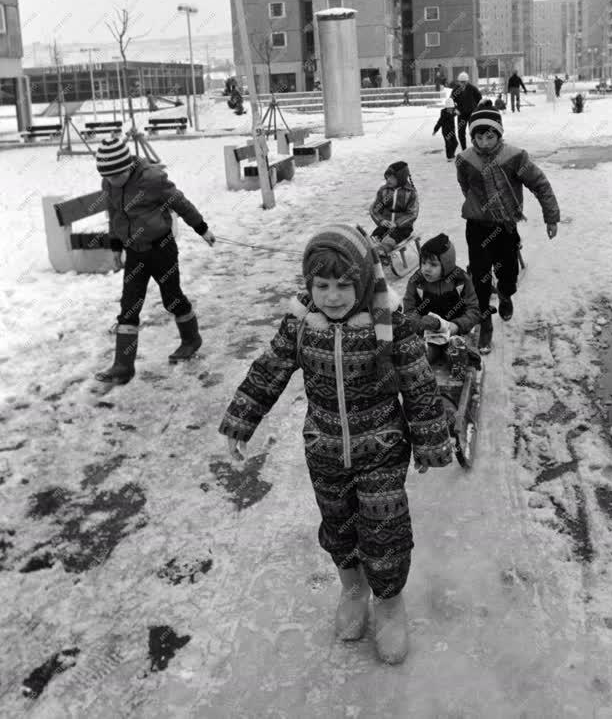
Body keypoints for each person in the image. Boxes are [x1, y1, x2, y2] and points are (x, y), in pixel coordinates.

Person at [219, 225, 453, 664]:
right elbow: (269, 369)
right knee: (338, 524)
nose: (332, 296)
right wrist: (241, 419)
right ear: (309, 285)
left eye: (344, 285)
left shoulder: (391, 324)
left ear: (362, 281)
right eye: (321, 285)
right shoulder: (302, 324)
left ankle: (388, 603)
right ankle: (351, 587)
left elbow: (419, 383)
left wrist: (430, 441)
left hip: (382, 445)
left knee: (385, 531)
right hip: (323, 447)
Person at [94, 138, 216, 385]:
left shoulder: (152, 180)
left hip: (161, 249)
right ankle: (123, 366)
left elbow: (180, 203)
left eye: (117, 175)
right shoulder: (109, 184)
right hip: (135, 252)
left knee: (172, 298)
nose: (112, 181)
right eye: (108, 177)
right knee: (129, 306)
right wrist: (116, 246)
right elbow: (114, 215)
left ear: (128, 167)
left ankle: (191, 339)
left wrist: (201, 228)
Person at [455, 107, 560, 354]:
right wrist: (478, 207)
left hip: (505, 227)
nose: (484, 143)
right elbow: (465, 185)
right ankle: (485, 323)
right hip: (477, 227)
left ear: (499, 134)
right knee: (480, 277)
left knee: (508, 273)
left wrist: (551, 217)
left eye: (490, 137)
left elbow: (540, 184)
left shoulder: (515, 157)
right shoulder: (466, 159)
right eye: (478, 137)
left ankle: (504, 294)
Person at [403, 234, 480, 381]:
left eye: (433, 265)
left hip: (454, 332)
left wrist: (456, 326)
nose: (426, 269)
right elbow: (408, 311)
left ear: (446, 264)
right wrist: (420, 324)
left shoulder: (460, 280)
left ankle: (457, 356)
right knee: (423, 353)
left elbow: (474, 310)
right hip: (428, 334)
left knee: (454, 347)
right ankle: (425, 352)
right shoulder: (416, 281)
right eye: (423, 263)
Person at [369, 161, 419, 258]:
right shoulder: (384, 191)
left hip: (403, 227)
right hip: (386, 225)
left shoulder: (410, 193)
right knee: (374, 238)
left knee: (390, 240)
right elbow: (375, 209)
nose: (388, 180)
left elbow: (412, 213)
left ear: (400, 178)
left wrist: (397, 223)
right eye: (387, 177)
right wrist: (381, 220)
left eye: (392, 178)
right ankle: (371, 254)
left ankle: (382, 254)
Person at [451, 71, 482, 151]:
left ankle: (476, 149)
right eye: (461, 82)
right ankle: (464, 149)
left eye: (464, 82)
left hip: (472, 113)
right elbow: (450, 101)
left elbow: (479, 98)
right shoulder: (456, 90)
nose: (462, 84)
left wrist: (476, 108)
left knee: (473, 132)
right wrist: (455, 109)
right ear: (458, 82)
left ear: (467, 81)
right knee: (461, 133)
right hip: (461, 114)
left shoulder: (472, 88)